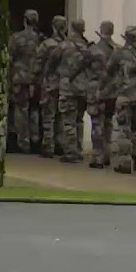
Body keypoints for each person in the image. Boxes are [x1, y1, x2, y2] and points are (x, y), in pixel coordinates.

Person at [108, 26, 136, 174]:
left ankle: (125, 163)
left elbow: (109, 71)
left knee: (124, 130)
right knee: (135, 129)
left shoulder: (118, 53)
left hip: (125, 96)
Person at [55, 19, 92, 164]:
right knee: (78, 120)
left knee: (68, 121)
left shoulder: (65, 45)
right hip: (83, 89)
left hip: (68, 88)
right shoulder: (88, 47)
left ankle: (71, 152)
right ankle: (78, 149)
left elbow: (52, 60)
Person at [33, 15, 68, 158]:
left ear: (53, 26)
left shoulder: (47, 44)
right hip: (65, 84)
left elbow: (38, 64)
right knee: (61, 116)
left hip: (50, 83)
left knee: (49, 116)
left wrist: (37, 80)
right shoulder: (69, 44)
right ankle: (60, 144)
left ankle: (48, 146)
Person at [8, 10, 42, 154]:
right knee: (34, 110)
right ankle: (35, 139)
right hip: (35, 78)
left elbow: (9, 58)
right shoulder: (40, 39)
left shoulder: (16, 38)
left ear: (24, 20)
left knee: (21, 110)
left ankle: (23, 142)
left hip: (20, 78)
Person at [85, 21, 117, 168]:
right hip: (112, 92)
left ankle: (98, 156)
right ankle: (107, 154)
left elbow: (83, 66)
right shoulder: (118, 50)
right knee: (108, 123)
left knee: (97, 123)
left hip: (97, 90)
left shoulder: (94, 49)